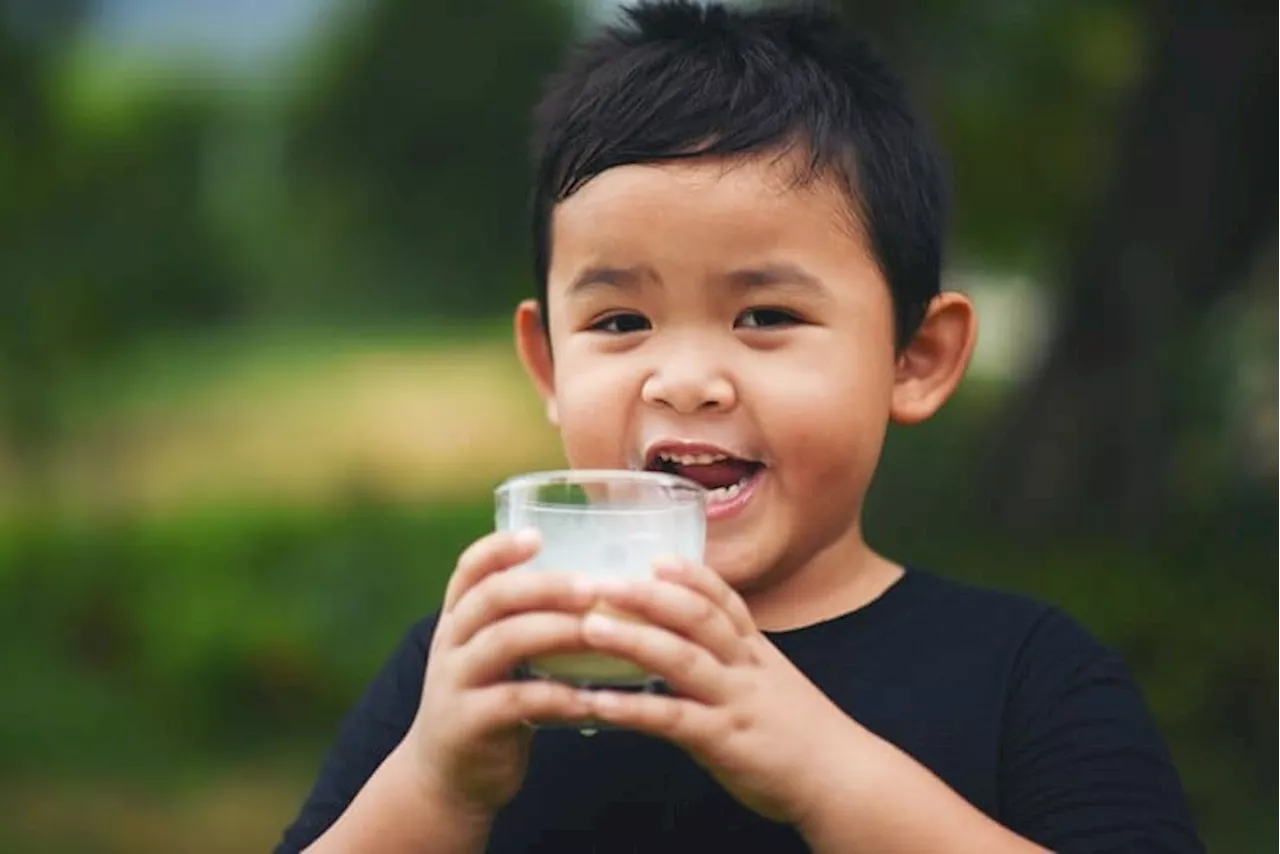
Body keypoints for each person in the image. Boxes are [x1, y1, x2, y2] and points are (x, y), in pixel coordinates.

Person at [277, 2, 1204, 852]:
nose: (683, 382)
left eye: (764, 316)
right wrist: (436, 785)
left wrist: (828, 771)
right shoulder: (466, 675)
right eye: (620, 322)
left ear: (914, 359)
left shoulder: (1026, 677)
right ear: (550, 366)